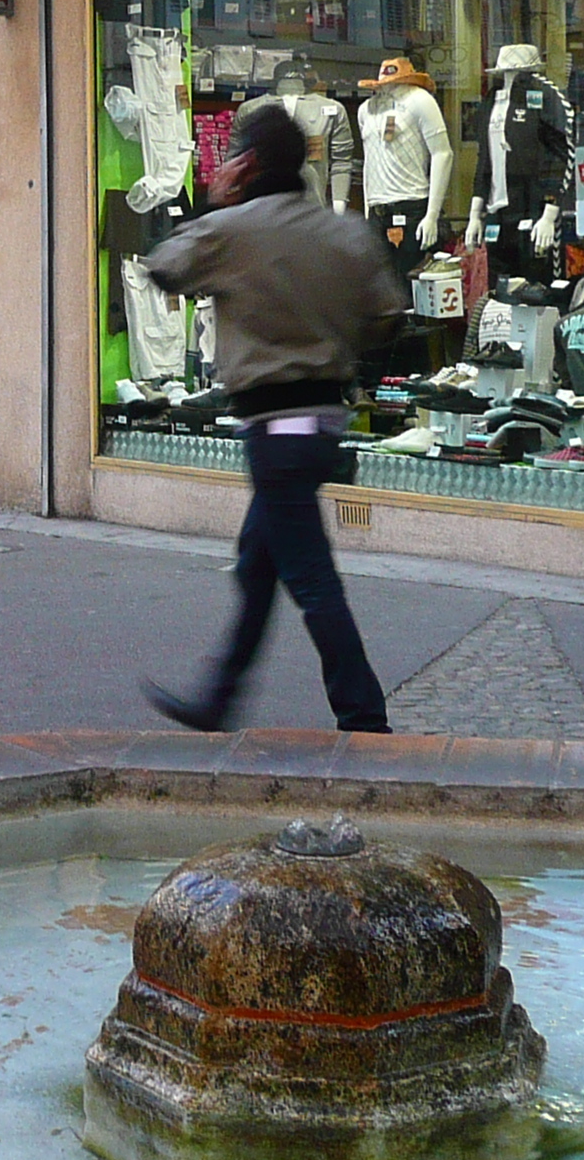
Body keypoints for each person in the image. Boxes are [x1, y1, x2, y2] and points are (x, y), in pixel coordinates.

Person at [140, 101, 409, 734]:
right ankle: (218, 697)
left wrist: (214, 202)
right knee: (258, 560)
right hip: (326, 424)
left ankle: (363, 716)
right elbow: (388, 319)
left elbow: (163, 268)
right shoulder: (344, 231)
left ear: (248, 162)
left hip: (274, 428)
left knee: (310, 579)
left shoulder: (235, 229)